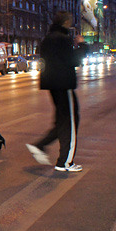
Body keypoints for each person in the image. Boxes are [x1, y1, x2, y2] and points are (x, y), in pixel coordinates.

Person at [26, 11, 88, 172]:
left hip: (52, 83)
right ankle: (65, 162)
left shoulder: (47, 38)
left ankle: (41, 145)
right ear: (66, 22)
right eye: (70, 20)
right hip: (63, 83)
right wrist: (82, 45)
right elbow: (74, 60)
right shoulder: (63, 38)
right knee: (70, 121)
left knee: (62, 121)